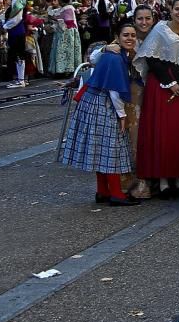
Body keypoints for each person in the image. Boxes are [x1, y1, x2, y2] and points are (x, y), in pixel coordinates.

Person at [59, 23, 141, 206]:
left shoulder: (112, 53)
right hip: (104, 103)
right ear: (118, 38)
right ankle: (116, 194)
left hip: (92, 101)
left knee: (99, 147)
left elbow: (93, 59)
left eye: (133, 35)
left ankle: (102, 191)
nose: (130, 38)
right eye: (126, 35)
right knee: (112, 148)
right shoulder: (115, 57)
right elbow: (115, 89)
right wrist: (122, 115)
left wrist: (104, 47)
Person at [133, 0, 179, 197]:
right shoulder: (160, 30)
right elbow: (152, 59)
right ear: (170, 10)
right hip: (163, 86)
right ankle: (164, 182)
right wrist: (171, 83)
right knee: (164, 133)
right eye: (177, 9)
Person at [47, 0, 82, 77]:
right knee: (62, 51)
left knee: (65, 52)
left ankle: (65, 70)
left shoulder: (68, 8)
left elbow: (68, 21)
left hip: (67, 33)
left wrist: (55, 18)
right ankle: (61, 70)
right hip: (62, 32)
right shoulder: (65, 8)